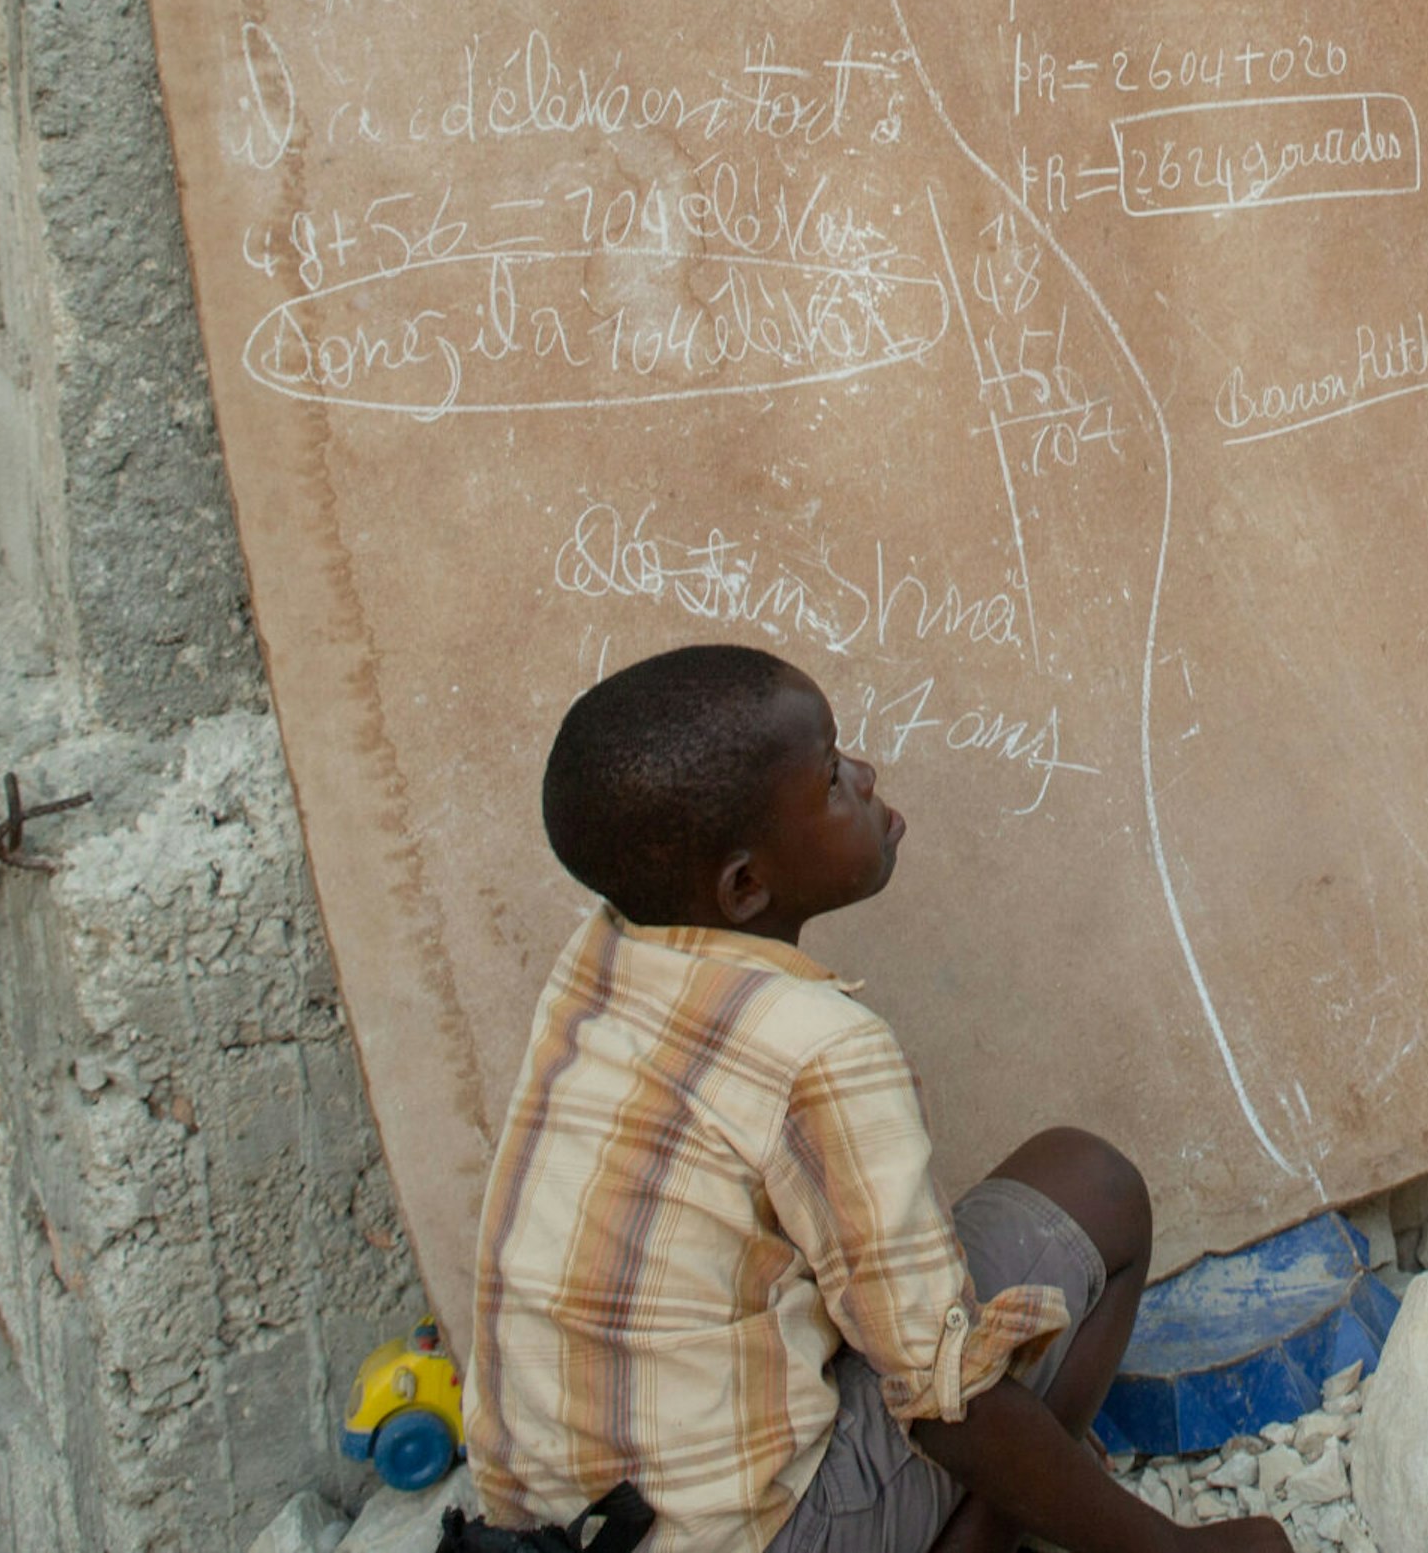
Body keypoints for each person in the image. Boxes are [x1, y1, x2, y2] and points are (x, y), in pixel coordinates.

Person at [466, 643, 1289, 1553]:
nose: (865, 774)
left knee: (880, 1296)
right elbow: (950, 1404)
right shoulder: (815, 1048)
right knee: (1095, 1187)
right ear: (744, 886)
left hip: (558, 1534)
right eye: (829, 778)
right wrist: (1172, 1547)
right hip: (760, 1538)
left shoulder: (602, 959)